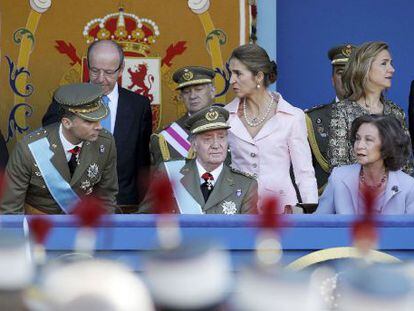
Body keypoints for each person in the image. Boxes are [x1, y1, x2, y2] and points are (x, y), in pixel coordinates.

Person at [42, 40, 152, 213]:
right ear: (87, 66)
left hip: (122, 205)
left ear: (121, 69)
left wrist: (141, 206)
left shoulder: (139, 105)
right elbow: (49, 151)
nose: (101, 79)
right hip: (72, 204)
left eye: (109, 72)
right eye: (94, 70)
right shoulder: (64, 100)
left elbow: (142, 162)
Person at [225, 43, 317, 212]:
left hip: (281, 210)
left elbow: (304, 172)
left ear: (259, 77)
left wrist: (309, 214)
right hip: (238, 209)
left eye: (238, 73)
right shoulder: (226, 116)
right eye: (231, 73)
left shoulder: (292, 116)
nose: (232, 80)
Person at [0, 83, 118, 214]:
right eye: (89, 122)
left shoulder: (105, 143)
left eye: (99, 120)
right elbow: (10, 209)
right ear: (67, 123)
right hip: (40, 227)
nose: (99, 127)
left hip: (83, 227)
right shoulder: (29, 149)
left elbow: (107, 197)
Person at [139, 106, 258, 214]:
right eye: (207, 139)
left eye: (221, 137)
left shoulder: (245, 185)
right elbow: (143, 220)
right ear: (194, 144)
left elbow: (249, 233)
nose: (216, 145)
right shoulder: (169, 173)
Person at [327, 41, 413, 174]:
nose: (391, 69)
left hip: (394, 193)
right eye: (384, 63)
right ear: (365, 68)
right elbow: (339, 168)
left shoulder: (396, 112)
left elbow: (407, 166)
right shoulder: (342, 111)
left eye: (391, 63)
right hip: (355, 193)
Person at [317, 115, 414, 214]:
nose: (359, 146)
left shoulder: (408, 186)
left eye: (368, 140)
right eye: (357, 138)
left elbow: (410, 228)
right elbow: (319, 223)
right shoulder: (338, 178)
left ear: (388, 145)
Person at [306, 44, 355, 194]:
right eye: (341, 73)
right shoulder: (313, 119)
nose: (346, 78)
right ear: (332, 79)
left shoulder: (379, 117)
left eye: (352, 72)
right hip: (325, 208)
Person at [150, 66, 216, 166]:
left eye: (198, 89)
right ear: (181, 97)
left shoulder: (231, 128)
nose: (192, 96)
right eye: (186, 92)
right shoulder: (166, 138)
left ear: (212, 92)